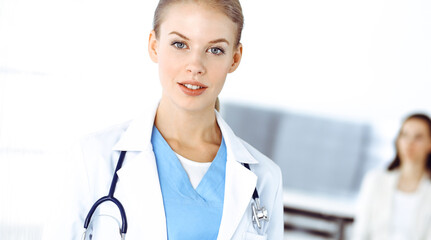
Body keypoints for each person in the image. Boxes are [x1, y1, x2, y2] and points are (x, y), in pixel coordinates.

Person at [42, 0, 283, 239]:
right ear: (154, 46)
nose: (195, 66)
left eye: (215, 49)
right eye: (180, 44)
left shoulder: (265, 179)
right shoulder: (92, 158)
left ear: (235, 58)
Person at [352, 113, 431, 240]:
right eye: (405, 135)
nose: (410, 143)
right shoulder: (375, 180)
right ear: (398, 140)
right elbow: (361, 231)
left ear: (429, 143)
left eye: (418, 137)